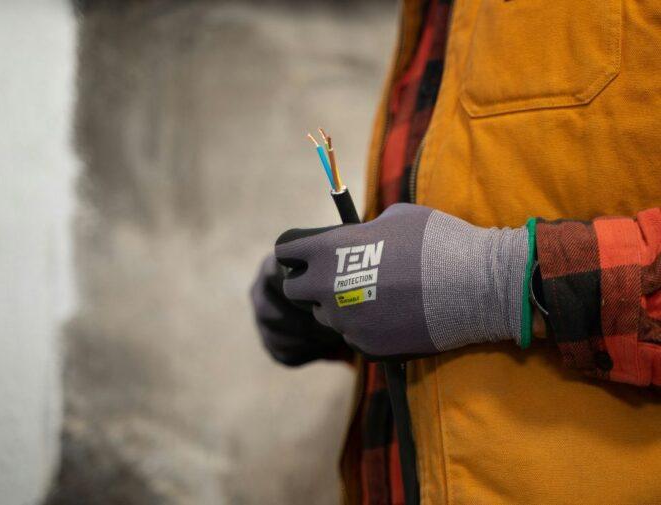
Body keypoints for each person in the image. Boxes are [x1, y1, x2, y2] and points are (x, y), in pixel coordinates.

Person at [251, 1, 661, 503]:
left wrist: (504, 281)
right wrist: (340, 312)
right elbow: (430, 298)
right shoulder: (432, 19)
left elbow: (454, 283)